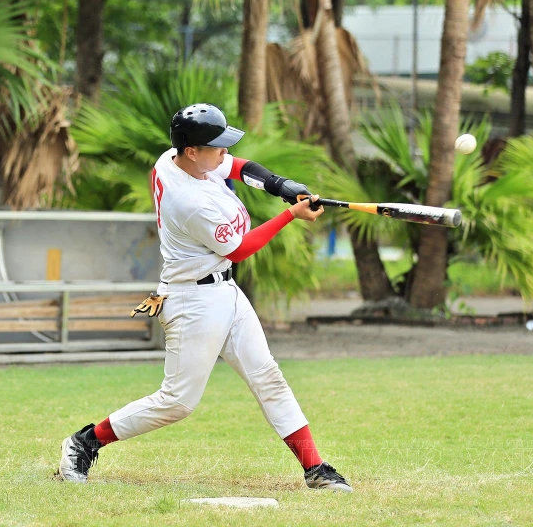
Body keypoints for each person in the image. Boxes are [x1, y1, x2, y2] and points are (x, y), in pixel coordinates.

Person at [56, 103, 352, 492]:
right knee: (177, 402)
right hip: (191, 302)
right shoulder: (189, 202)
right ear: (192, 151)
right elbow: (241, 249)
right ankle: (83, 443)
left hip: (225, 291)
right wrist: (290, 216)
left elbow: (237, 167)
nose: (224, 153)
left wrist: (281, 186)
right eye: (217, 146)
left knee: (269, 378)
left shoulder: (176, 157)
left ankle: (315, 469)